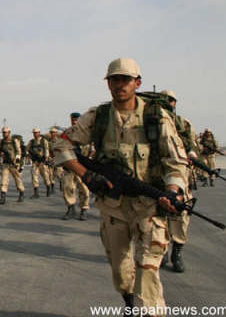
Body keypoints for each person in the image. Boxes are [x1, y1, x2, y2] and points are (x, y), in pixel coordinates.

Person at [53, 58, 188, 314]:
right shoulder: (98, 117)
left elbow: (176, 160)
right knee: (121, 272)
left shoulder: (155, 116)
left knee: (147, 270)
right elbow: (62, 145)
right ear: (108, 84)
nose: (120, 85)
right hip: (113, 207)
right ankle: (129, 304)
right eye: (114, 79)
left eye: (125, 79)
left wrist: (172, 191)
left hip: (149, 206)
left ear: (137, 83)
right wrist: (87, 175)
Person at [160, 89, 199, 273]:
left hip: (181, 174)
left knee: (181, 214)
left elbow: (192, 145)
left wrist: (191, 154)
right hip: (158, 174)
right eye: (164, 99)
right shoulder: (151, 121)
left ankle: (177, 251)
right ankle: (162, 250)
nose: (168, 102)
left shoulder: (183, 123)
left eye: (171, 100)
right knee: (159, 215)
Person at [61, 113, 92, 221]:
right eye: (73, 120)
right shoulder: (66, 134)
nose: (74, 122)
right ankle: (71, 208)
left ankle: (84, 209)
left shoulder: (87, 134)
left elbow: (92, 150)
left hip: (82, 167)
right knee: (67, 188)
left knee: (84, 189)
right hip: (69, 166)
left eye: (77, 120)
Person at [0, 126, 25, 204]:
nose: (4, 134)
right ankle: (3, 197)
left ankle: (21, 193)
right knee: (4, 180)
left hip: (14, 164)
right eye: (3, 133)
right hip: (5, 164)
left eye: (5, 132)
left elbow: (18, 152)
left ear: (9, 132)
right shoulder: (0, 142)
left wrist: (17, 161)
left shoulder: (14, 141)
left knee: (17, 179)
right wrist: (0, 153)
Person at [26, 128, 51, 198]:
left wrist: (46, 159)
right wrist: (30, 155)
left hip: (42, 161)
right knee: (34, 176)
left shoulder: (43, 141)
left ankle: (48, 188)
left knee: (45, 176)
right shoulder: (31, 142)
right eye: (34, 133)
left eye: (36, 133)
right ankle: (36, 193)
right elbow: (27, 149)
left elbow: (46, 150)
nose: (35, 134)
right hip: (35, 161)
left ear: (39, 133)